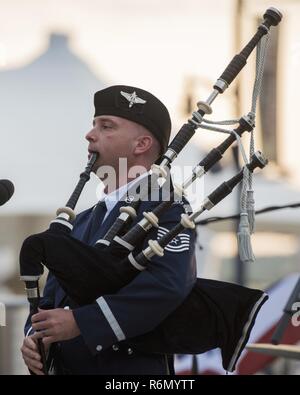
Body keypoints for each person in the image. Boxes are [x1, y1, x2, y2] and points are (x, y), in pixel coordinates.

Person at [21, 85, 197, 375]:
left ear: (141, 144)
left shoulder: (169, 209)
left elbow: (167, 285)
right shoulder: (81, 222)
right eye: (93, 125)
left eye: (106, 126)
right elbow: (51, 299)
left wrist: (82, 322)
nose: (90, 135)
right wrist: (35, 336)